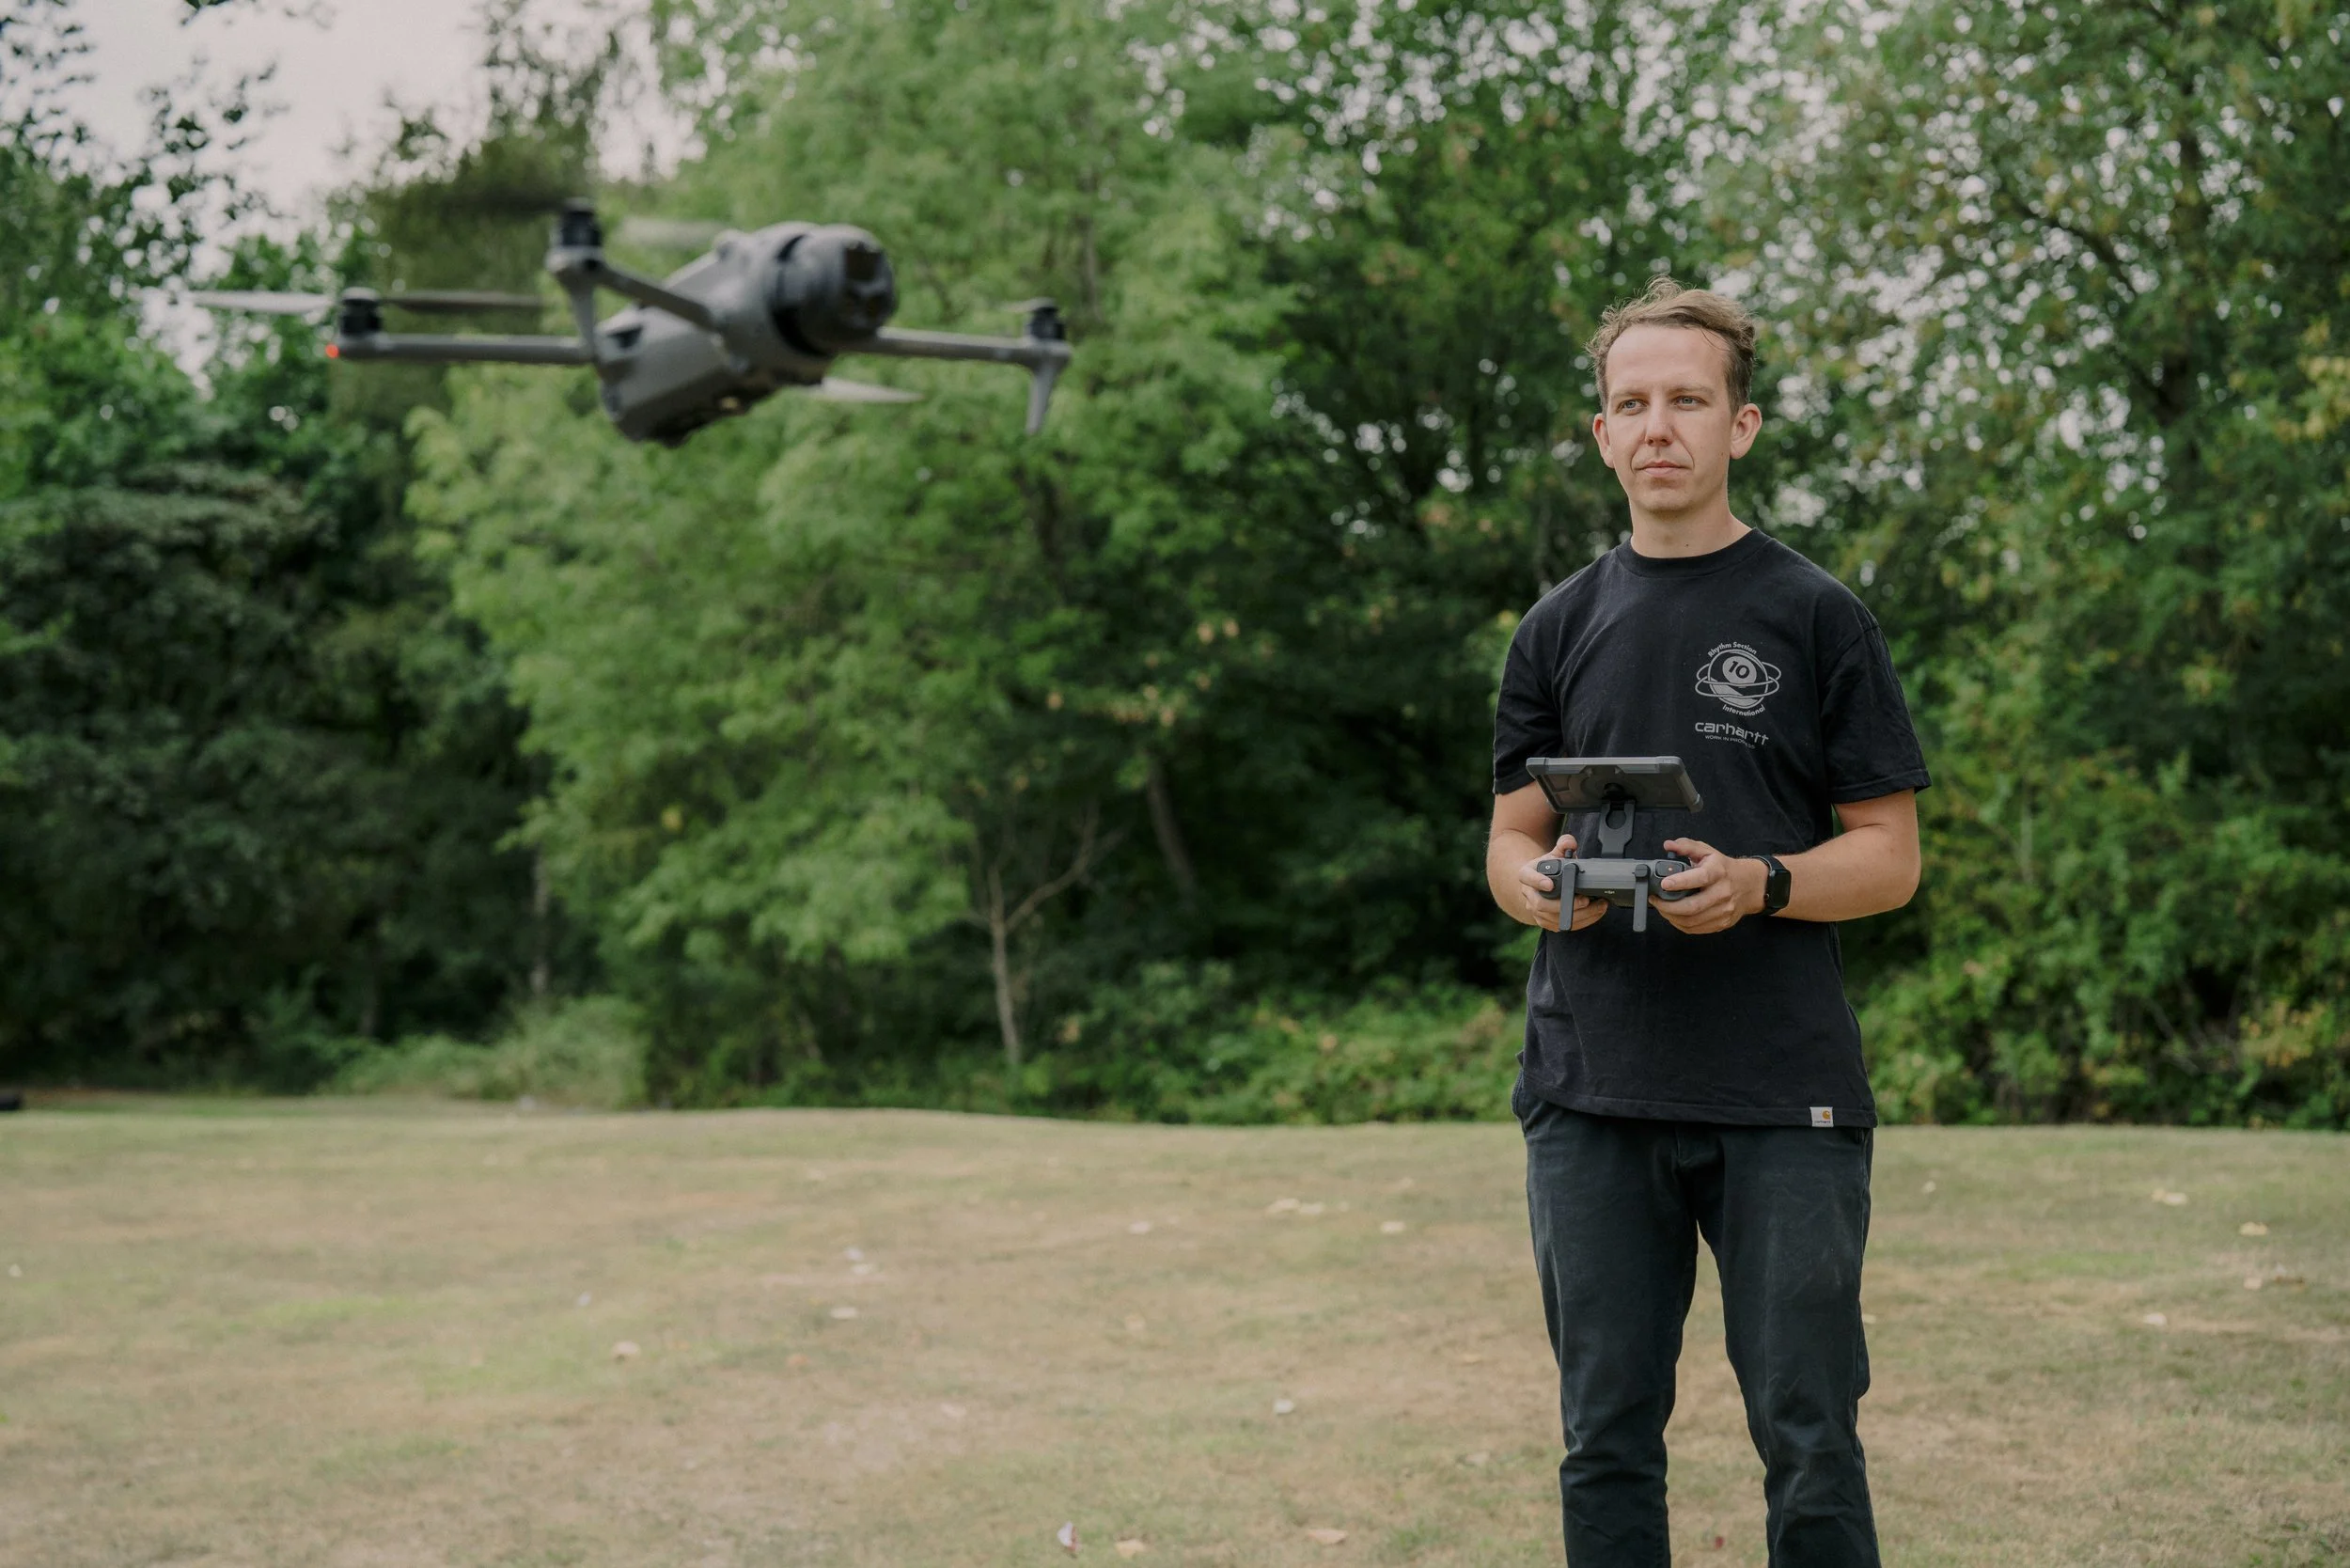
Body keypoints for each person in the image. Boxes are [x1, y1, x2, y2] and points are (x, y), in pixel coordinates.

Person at [1486, 276, 1931, 1567]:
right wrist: (1529, 884)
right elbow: (1513, 840)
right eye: (1633, 402)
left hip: (1779, 1094)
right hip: (1590, 1092)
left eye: (1688, 399)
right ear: (1602, 434)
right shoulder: (1556, 628)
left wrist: (1760, 884)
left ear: (1740, 426)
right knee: (1605, 1434)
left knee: (1808, 1432)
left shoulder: (1816, 616)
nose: (1659, 425)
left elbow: (1889, 858)